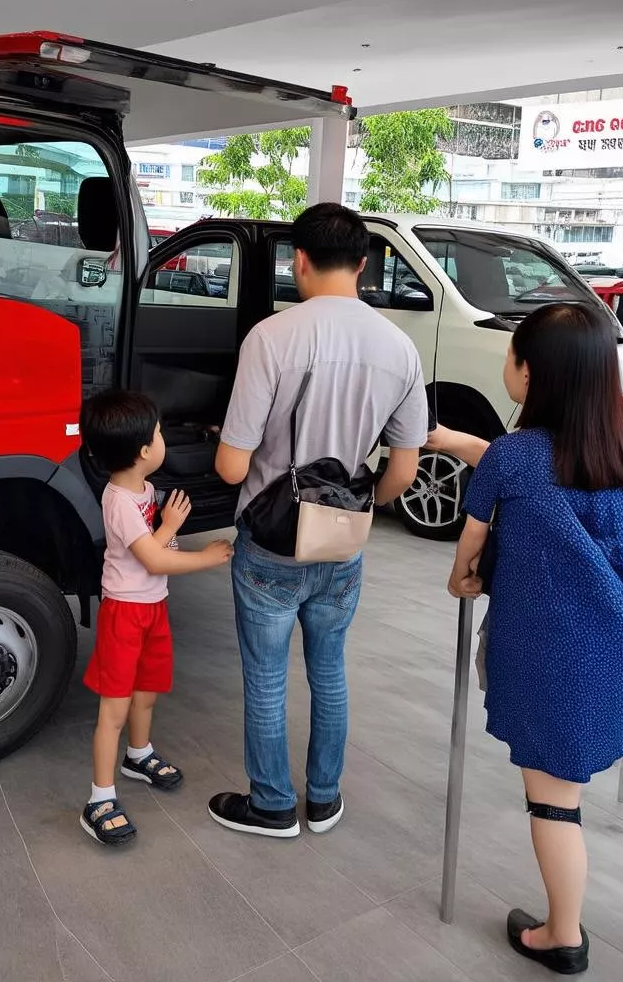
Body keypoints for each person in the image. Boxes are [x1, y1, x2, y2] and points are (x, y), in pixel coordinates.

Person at [436, 302, 623, 975]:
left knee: (553, 800)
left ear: (535, 374)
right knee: (568, 780)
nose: (508, 367)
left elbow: (470, 554)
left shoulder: (513, 457)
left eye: (514, 356)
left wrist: (464, 582)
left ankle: (563, 935)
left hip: (551, 656)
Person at [208, 203, 427, 838]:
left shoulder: (272, 338)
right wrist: (357, 508)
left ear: (297, 261)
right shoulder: (398, 347)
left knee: (267, 677)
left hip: (273, 544)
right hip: (343, 546)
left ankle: (273, 804)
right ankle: (324, 799)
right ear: (363, 265)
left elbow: (229, 468)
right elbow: (403, 473)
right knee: (329, 672)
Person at [79, 390, 234, 846]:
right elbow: (154, 558)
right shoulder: (120, 501)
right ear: (146, 450)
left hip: (151, 609)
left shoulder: (144, 490)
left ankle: (139, 754)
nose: (164, 438)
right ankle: (99, 798)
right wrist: (201, 553)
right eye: (160, 433)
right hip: (125, 612)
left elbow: (158, 552)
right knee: (115, 708)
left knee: (146, 693)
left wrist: (166, 529)